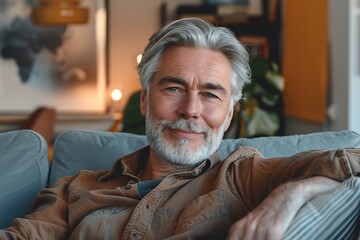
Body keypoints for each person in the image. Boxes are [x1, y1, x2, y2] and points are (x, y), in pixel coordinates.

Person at [1, 17, 359, 240]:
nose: (190, 109)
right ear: (144, 101)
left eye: (210, 94)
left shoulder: (243, 175)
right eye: (173, 88)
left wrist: (290, 195)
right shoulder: (76, 188)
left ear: (229, 114)